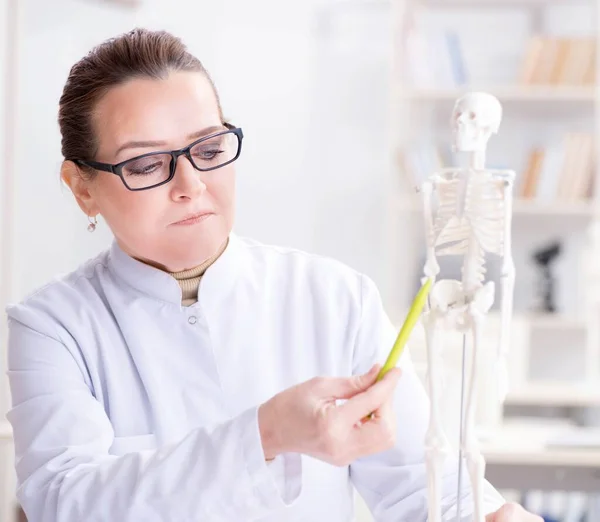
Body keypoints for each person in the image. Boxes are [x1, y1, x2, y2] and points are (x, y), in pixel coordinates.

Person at [5, 28, 541, 522]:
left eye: (209, 149)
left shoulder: (335, 298)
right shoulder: (53, 326)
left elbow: (423, 491)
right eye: (146, 164)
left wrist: (487, 514)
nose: (190, 183)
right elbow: (63, 502)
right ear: (81, 187)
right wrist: (267, 433)